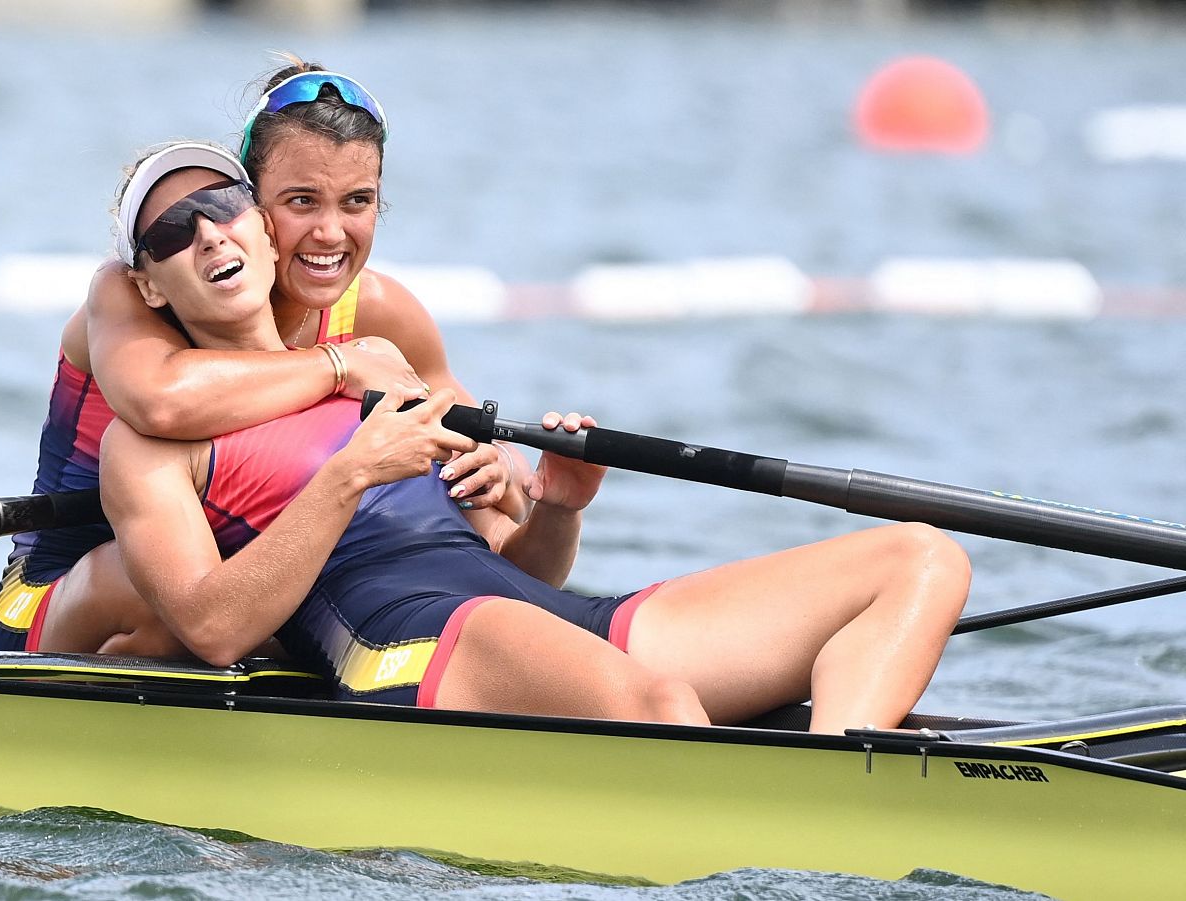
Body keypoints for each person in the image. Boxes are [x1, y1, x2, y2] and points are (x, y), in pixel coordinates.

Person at [97, 141, 971, 735]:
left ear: (260, 226)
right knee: (662, 704)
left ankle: (840, 781)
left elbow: (525, 569)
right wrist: (348, 476)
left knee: (922, 561)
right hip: (406, 637)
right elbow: (212, 628)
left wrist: (555, 508)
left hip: (533, 613)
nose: (209, 230)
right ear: (153, 286)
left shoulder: (379, 360)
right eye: (174, 229)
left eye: (223, 204)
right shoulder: (151, 442)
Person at [0, 61, 532, 657]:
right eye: (302, 201)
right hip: (74, 589)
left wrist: (504, 474)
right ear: (256, 205)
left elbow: (497, 505)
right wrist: (340, 365)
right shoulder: (132, 289)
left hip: (256, 582)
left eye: (355, 202)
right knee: (190, 591)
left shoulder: (382, 312)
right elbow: (159, 402)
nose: (329, 233)